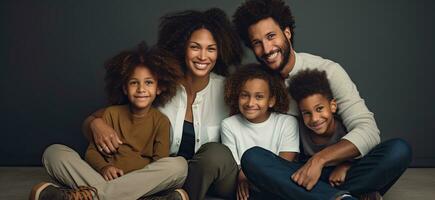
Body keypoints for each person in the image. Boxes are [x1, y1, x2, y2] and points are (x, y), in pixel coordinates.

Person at [233, 0, 412, 199]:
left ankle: (321, 195)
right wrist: (244, 170)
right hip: (293, 174)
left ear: (287, 33)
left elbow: (368, 130)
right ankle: (341, 197)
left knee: (398, 150)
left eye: (271, 36)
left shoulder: (329, 71)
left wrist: (321, 160)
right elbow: (242, 128)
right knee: (252, 159)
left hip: (341, 171)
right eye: (257, 43)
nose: (266, 49)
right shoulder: (257, 86)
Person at [82, 8, 244, 200]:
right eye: (195, 47)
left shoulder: (229, 91)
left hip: (213, 180)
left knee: (214, 153)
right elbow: (106, 117)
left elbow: (251, 130)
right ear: (183, 47)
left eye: (211, 48)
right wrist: (95, 124)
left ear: (220, 52)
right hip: (165, 177)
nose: (202, 56)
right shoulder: (161, 85)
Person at [29, 43, 189, 200]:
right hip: (105, 179)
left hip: (140, 183)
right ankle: (129, 197)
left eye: (148, 82)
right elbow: (91, 152)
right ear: (125, 88)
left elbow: (159, 163)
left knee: (178, 165)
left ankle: (89, 196)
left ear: (159, 88)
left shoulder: (161, 121)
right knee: (54, 152)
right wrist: (105, 167)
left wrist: (138, 180)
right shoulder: (111, 113)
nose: (141, 89)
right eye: (134, 83)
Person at [221, 64, 299, 200]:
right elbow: (236, 167)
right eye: (245, 95)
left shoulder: (287, 122)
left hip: (278, 183)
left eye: (259, 97)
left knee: (253, 157)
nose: (250, 103)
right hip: (249, 188)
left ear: (271, 101)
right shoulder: (229, 125)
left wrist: (248, 172)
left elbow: (284, 165)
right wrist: (243, 174)